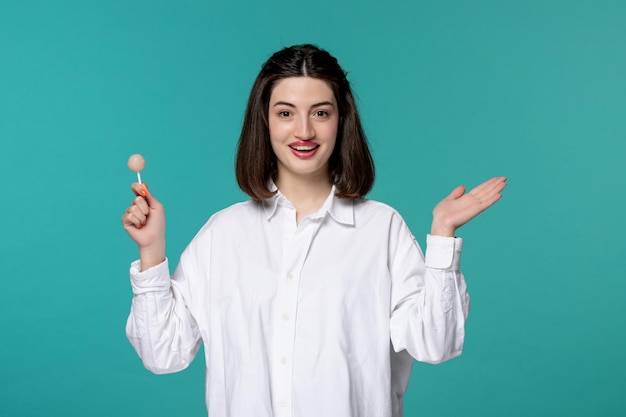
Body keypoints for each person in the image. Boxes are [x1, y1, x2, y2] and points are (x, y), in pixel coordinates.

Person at [121, 44, 506, 417]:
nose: (303, 131)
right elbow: (163, 354)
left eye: (320, 113)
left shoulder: (381, 229)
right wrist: (152, 249)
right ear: (265, 121)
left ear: (341, 121)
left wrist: (442, 236)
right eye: (286, 113)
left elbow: (436, 344)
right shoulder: (223, 234)